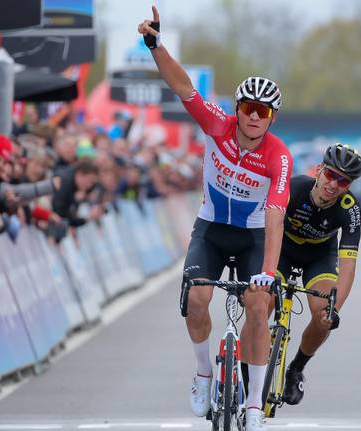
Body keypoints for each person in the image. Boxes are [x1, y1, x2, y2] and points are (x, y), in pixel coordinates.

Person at [138, 7, 293, 431]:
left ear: (272, 117)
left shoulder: (278, 156)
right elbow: (183, 86)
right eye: (248, 107)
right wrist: (155, 45)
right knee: (196, 301)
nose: (254, 116)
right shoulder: (217, 126)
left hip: (254, 237)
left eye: (263, 111)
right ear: (238, 108)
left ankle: (256, 402)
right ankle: (204, 372)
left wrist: (268, 272)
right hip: (210, 230)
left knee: (258, 307)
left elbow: (276, 216)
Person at [279, 143, 361, 405]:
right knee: (261, 300)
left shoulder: (350, 209)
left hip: (319, 256)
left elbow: (348, 266)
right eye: (331, 175)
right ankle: (251, 368)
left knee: (323, 314)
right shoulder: (294, 188)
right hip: (281, 248)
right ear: (319, 170)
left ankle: (296, 368)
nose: (334, 184)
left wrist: (334, 309)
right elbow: (263, 233)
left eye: (343, 181)